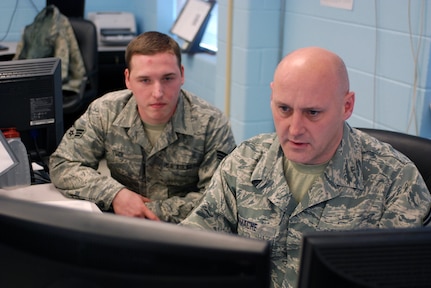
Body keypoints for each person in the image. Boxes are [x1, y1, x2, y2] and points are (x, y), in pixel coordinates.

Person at [180, 47, 431, 288]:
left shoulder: (396, 180)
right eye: (284, 109)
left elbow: (400, 278)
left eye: (312, 112)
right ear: (272, 97)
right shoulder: (244, 162)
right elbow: (195, 245)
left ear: (347, 106)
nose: (295, 128)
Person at [49, 31, 236, 223]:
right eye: (145, 80)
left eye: (168, 78)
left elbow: (219, 198)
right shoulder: (105, 111)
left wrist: (148, 211)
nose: (157, 93)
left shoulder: (211, 124)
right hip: (123, 227)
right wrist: (115, 195)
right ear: (128, 79)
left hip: (185, 231)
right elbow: (63, 164)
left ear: (182, 74)